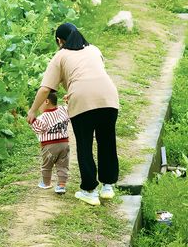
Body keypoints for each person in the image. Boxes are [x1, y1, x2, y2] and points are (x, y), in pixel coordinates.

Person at [27, 22, 119, 207]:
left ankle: (89, 191)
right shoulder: (94, 49)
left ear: (59, 41)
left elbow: (46, 89)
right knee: (107, 141)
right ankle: (108, 187)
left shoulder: (61, 55)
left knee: (85, 144)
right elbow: (92, 75)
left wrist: (33, 110)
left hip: (82, 100)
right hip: (109, 97)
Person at [29, 89, 69, 194]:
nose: (38, 107)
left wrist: (32, 120)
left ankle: (46, 183)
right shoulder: (62, 110)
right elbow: (70, 109)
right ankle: (61, 185)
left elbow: (38, 128)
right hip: (64, 145)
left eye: (39, 103)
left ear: (46, 101)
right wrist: (68, 101)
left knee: (47, 165)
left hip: (49, 147)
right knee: (62, 165)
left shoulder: (43, 117)